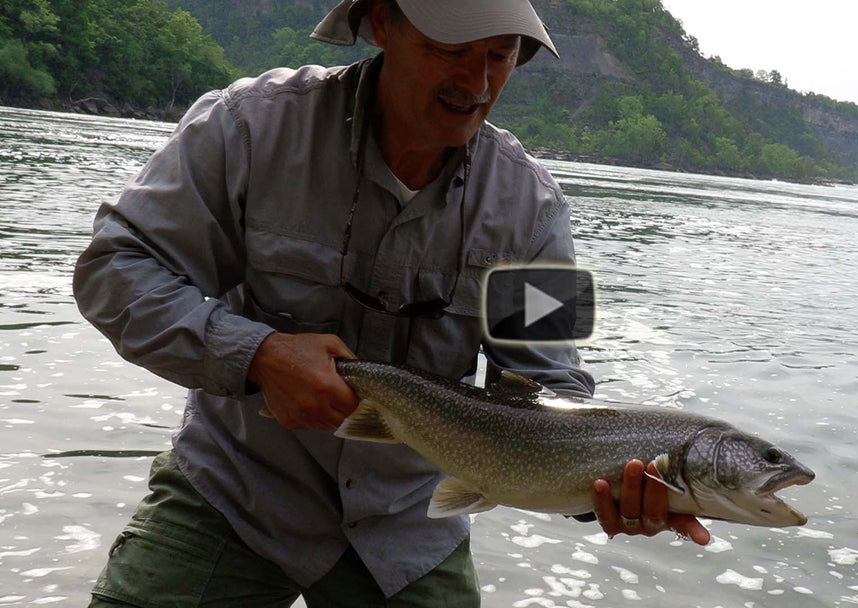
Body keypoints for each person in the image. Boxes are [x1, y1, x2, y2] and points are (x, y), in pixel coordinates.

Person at [73, 0, 709, 605]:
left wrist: (609, 489)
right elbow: (116, 269)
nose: (476, 81)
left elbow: (549, 388)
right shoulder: (250, 129)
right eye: (450, 47)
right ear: (381, 21)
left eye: (500, 54)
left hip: (408, 530)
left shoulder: (530, 213)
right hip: (234, 492)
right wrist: (258, 355)